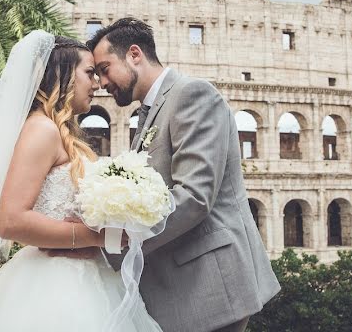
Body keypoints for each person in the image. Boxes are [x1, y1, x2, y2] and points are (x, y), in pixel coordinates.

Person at [0, 31, 162, 331]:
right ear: (62, 75)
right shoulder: (42, 131)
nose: (97, 83)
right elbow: (11, 221)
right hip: (56, 286)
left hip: (90, 275)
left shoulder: (61, 133)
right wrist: (95, 236)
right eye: (89, 73)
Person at [83, 18, 280, 332]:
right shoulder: (152, 110)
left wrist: (118, 241)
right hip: (186, 282)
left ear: (134, 54)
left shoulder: (191, 94)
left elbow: (194, 196)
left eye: (105, 68)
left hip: (210, 282)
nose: (102, 82)